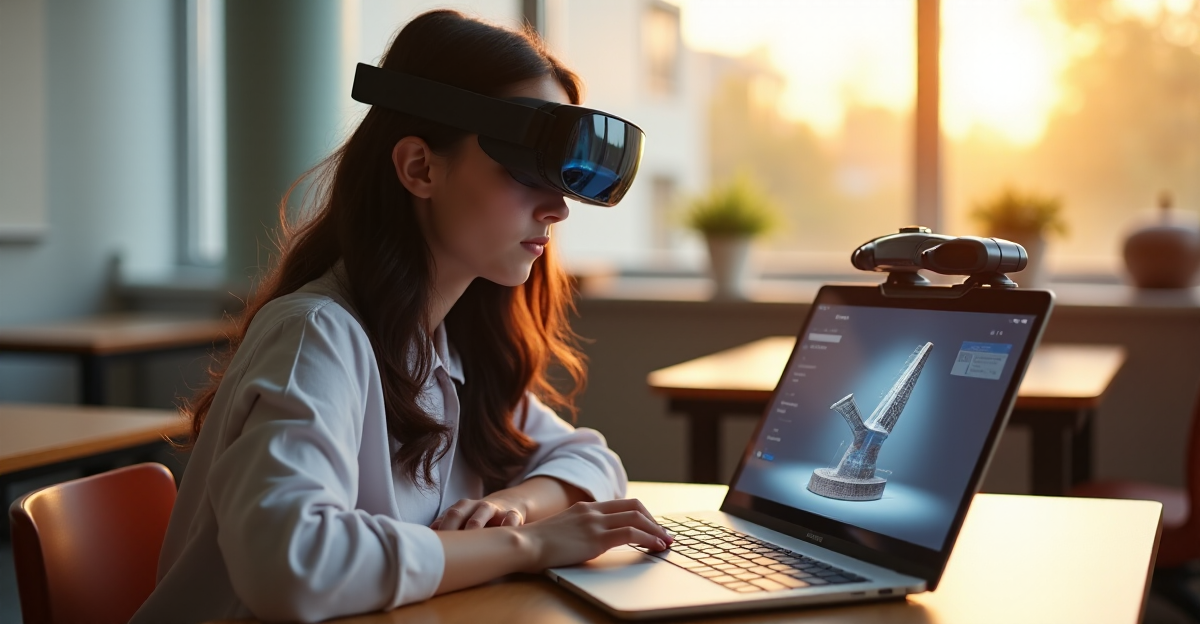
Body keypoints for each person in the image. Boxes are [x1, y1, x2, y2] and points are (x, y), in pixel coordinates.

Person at [131, 10, 670, 624]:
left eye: (562, 180)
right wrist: (528, 544)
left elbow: (592, 460)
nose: (557, 208)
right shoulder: (318, 335)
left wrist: (516, 506)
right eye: (525, 170)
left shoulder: (441, 346)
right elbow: (293, 566)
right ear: (420, 167)